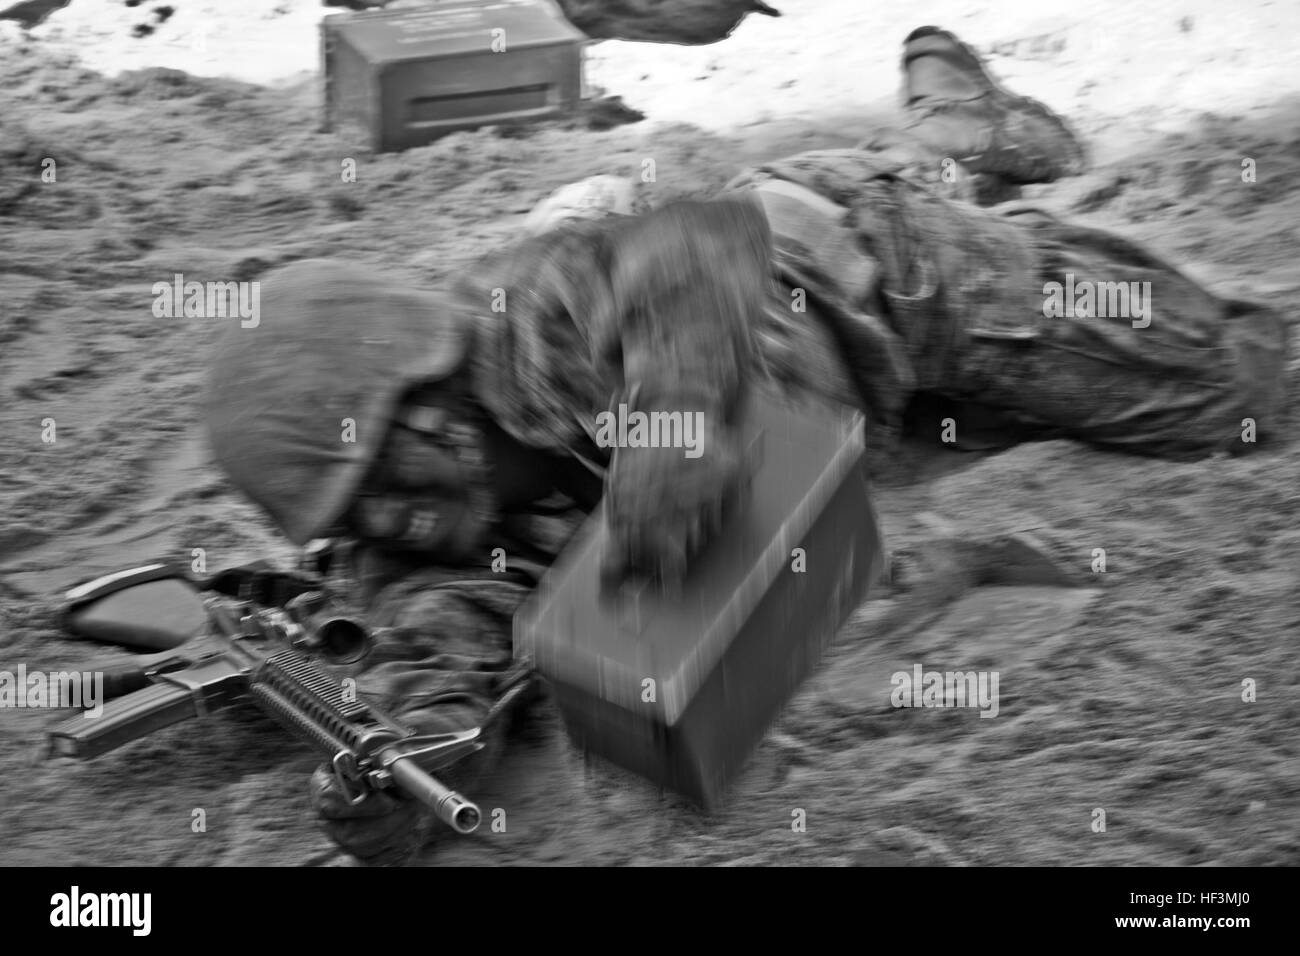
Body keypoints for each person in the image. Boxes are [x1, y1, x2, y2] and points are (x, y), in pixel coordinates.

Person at [202, 26, 1288, 864]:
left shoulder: (539, 309)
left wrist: (668, 469)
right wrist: (399, 775)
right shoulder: (415, 545)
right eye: (355, 521)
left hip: (883, 273)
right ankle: (945, 128)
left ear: (429, 388)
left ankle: (957, 124)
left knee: (1237, 391)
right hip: (838, 412)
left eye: (382, 476)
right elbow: (432, 654)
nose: (392, 524)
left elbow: (678, 285)